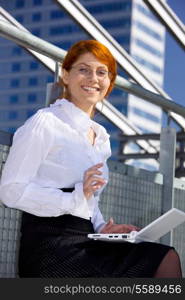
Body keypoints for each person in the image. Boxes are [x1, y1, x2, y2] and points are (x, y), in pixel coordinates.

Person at [0, 40, 182, 278]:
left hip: (88, 238)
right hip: (51, 246)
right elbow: (10, 191)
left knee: (164, 257)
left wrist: (103, 228)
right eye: (83, 69)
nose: (93, 78)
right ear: (66, 75)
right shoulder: (45, 122)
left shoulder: (101, 137)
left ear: (109, 83)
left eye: (101, 72)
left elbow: (89, 201)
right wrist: (76, 196)